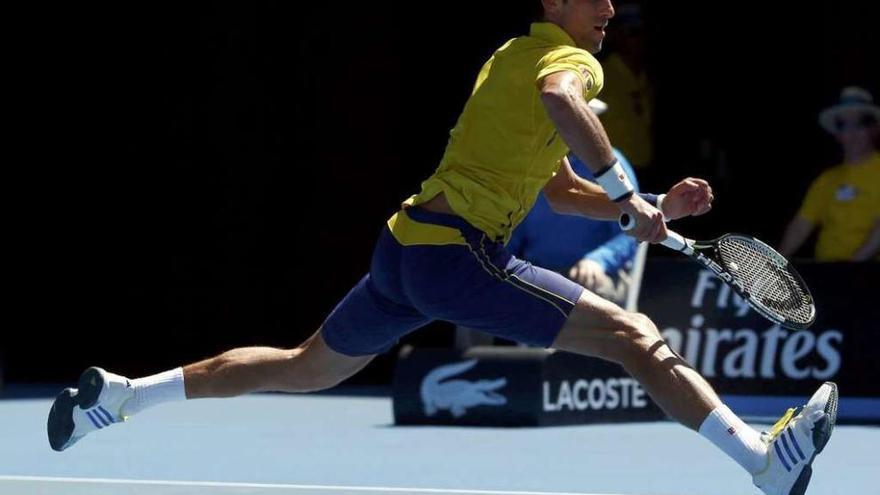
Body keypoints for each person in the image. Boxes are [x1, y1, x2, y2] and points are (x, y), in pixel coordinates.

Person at [48, 2, 836, 494]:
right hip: (457, 256)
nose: (609, 10)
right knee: (635, 337)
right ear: (555, 3)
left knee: (304, 365)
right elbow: (566, 99)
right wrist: (628, 198)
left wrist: (647, 204)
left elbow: (557, 187)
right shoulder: (568, 64)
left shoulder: (508, 58)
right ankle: (762, 461)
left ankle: (120, 396)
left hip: (404, 248)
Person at [506, 99, 642, 305]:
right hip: (534, 275)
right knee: (475, 293)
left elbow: (633, 231)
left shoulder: (614, 166)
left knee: (587, 294)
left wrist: (598, 261)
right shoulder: (527, 165)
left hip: (596, 275)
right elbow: (511, 233)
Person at [780, 86, 880, 261]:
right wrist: (776, 262)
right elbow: (801, 226)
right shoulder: (827, 179)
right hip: (827, 271)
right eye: (843, 125)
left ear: (874, 129)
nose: (852, 132)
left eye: (861, 123)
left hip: (869, 275)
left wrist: (852, 267)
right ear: (837, 134)